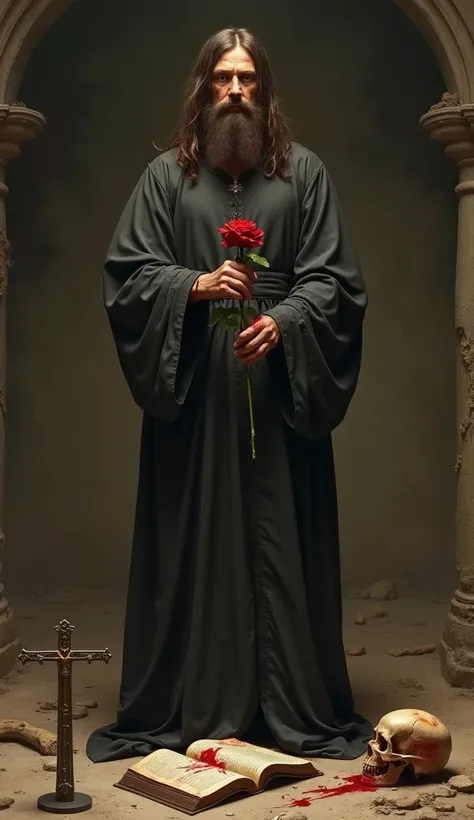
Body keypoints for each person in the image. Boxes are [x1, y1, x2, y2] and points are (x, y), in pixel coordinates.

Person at [86, 26, 373, 764]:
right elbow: (127, 274)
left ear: (265, 89)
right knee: (198, 538)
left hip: (278, 394)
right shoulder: (165, 178)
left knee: (280, 537)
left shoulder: (303, 174)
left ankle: (291, 699)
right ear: (203, 89)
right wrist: (196, 284)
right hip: (198, 402)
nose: (236, 90)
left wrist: (284, 319)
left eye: (248, 77)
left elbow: (337, 281)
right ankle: (193, 695)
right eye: (222, 78)